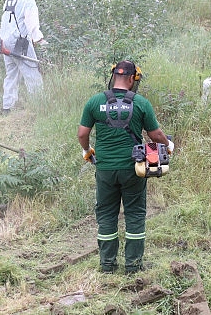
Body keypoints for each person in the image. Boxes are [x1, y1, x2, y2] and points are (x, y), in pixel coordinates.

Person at [77, 60, 174, 274]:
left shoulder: (94, 102)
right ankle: (133, 266)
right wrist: (169, 145)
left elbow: (82, 134)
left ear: (114, 76)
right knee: (135, 214)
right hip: (134, 169)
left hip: (105, 170)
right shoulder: (141, 103)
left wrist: (87, 151)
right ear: (132, 79)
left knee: (106, 214)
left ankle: (107, 265)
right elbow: (155, 135)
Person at [0, 0, 48, 114]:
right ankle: (39, 106)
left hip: (5, 41)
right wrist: (39, 39)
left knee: (11, 74)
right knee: (32, 72)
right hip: (19, 42)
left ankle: (7, 107)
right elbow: (32, 23)